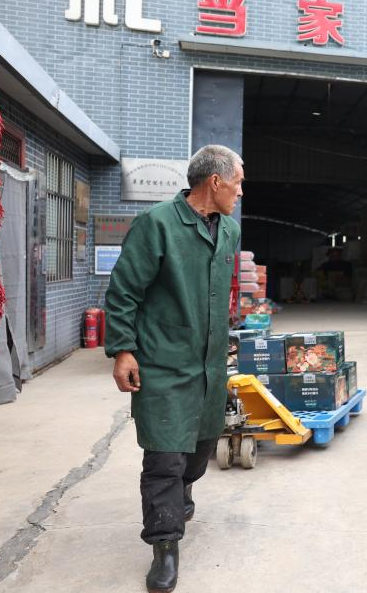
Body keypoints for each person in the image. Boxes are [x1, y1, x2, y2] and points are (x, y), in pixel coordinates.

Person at [104, 145, 243, 593]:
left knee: (201, 446)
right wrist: (123, 350)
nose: (241, 191)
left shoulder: (230, 230)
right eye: (238, 182)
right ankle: (165, 545)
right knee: (165, 456)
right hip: (163, 360)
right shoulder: (157, 224)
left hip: (211, 363)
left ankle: (185, 488)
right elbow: (124, 291)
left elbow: (223, 290)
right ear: (215, 182)